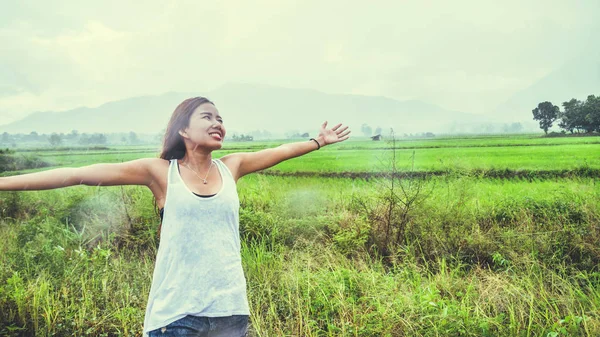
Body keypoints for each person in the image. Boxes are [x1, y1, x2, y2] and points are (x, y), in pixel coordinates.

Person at [0, 96, 351, 337]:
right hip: (177, 317)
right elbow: (76, 174)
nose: (218, 124)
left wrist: (317, 142)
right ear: (183, 131)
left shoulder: (232, 167)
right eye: (207, 117)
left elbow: (280, 152)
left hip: (230, 313)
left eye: (221, 119)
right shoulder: (160, 173)